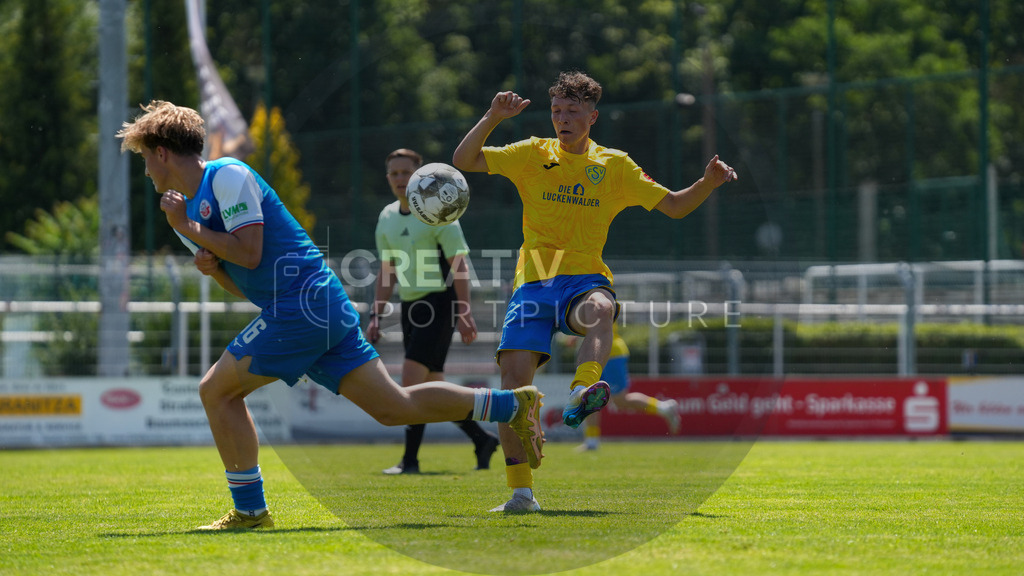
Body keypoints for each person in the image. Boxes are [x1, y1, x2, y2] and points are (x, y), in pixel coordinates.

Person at [116, 101, 543, 529]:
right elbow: (239, 277)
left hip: (305, 303)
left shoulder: (226, 176)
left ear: (162, 152)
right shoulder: (181, 214)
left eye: (143, 157)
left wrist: (194, 233)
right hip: (308, 307)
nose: (146, 170)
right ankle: (511, 405)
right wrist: (211, 267)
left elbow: (250, 252)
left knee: (217, 392)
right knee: (394, 407)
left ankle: (249, 509)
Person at [452, 71, 737, 512]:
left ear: (592, 116)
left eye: (571, 111)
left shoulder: (615, 166)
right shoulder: (531, 153)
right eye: (556, 111)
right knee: (511, 391)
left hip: (583, 278)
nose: (561, 119)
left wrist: (708, 184)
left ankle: (584, 390)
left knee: (602, 308)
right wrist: (492, 116)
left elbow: (676, 206)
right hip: (533, 279)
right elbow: (464, 160)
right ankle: (521, 494)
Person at [367, 148, 499, 474]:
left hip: (440, 303)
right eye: (394, 173)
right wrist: (376, 314)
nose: (400, 179)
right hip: (411, 305)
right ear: (388, 178)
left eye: (406, 173)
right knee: (435, 390)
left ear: (419, 177)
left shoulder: (439, 212)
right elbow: (387, 271)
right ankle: (482, 439)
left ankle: (409, 460)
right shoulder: (385, 218)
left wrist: (465, 311)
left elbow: (460, 265)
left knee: (411, 384)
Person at [575, 327, 680, 451]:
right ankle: (592, 441)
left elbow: (594, 324)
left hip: (610, 352)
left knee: (620, 400)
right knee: (591, 397)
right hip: (597, 354)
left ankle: (663, 407)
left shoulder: (593, 307)